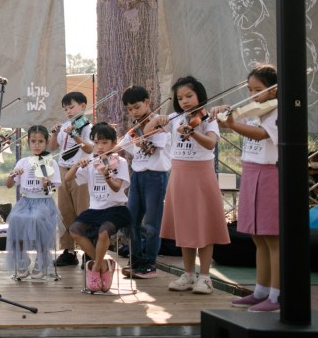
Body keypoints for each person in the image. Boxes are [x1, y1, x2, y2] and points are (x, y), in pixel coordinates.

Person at [212, 64, 281, 312]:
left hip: (270, 174)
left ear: (274, 90)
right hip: (251, 172)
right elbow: (224, 124)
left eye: (258, 89)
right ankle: (261, 291)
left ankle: (277, 296)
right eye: (250, 89)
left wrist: (231, 123)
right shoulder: (253, 111)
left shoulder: (278, 112)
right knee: (257, 237)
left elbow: (261, 134)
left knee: (273, 238)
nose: (253, 95)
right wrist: (219, 114)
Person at [160, 75, 231, 295]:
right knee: (185, 226)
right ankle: (189, 274)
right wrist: (157, 119)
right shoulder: (175, 118)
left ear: (199, 95)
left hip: (201, 175)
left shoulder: (208, 118)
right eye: (180, 98)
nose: (184, 101)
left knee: (204, 225)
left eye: (189, 96)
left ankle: (206, 277)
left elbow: (210, 143)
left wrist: (192, 133)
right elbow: (153, 125)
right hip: (179, 174)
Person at [67, 123, 132, 293]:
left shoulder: (120, 162)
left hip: (115, 209)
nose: (100, 147)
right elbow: (67, 179)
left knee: (104, 231)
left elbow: (116, 188)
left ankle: (96, 268)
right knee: (74, 230)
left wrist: (107, 175)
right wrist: (76, 165)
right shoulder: (91, 162)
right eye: (96, 143)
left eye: (104, 142)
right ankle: (103, 264)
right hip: (95, 210)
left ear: (113, 143)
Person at [119, 86, 171, 279]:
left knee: (151, 223)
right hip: (138, 176)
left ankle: (150, 263)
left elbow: (151, 148)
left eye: (137, 107)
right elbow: (124, 144)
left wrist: (142, 139)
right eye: (130, 109)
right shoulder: (135, 128)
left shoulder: (160, 122)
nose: (133, 112)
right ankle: (136, 258)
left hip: (155, 177)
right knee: (130, 219)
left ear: (147, 102)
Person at [5, 125, 61, 279]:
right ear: (28, 142)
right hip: (26, 201)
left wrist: (45, 183)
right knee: (15, 219)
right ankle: (22, 260)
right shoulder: (23, 162)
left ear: (46, 142)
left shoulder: (51, 163)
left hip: (43, 202)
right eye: (33, 141)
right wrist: (12, 174)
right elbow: (9, 185)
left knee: (37, 219)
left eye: (40, 141)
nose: (37, 145)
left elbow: (51, 191)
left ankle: (41, 261)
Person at [49, 91, 93, 267]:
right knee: (64, 211)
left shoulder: (88, 127)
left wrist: (75, 134)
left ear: (83, 106)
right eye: (65, 109)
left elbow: (89, 149)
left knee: (83, 210)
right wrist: (54, 134)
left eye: (71, 107)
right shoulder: (65, 127)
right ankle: (68, 251)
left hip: (80, 171)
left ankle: (88, 251)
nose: (68, 111)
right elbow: (53, 147)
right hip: (62, 170)